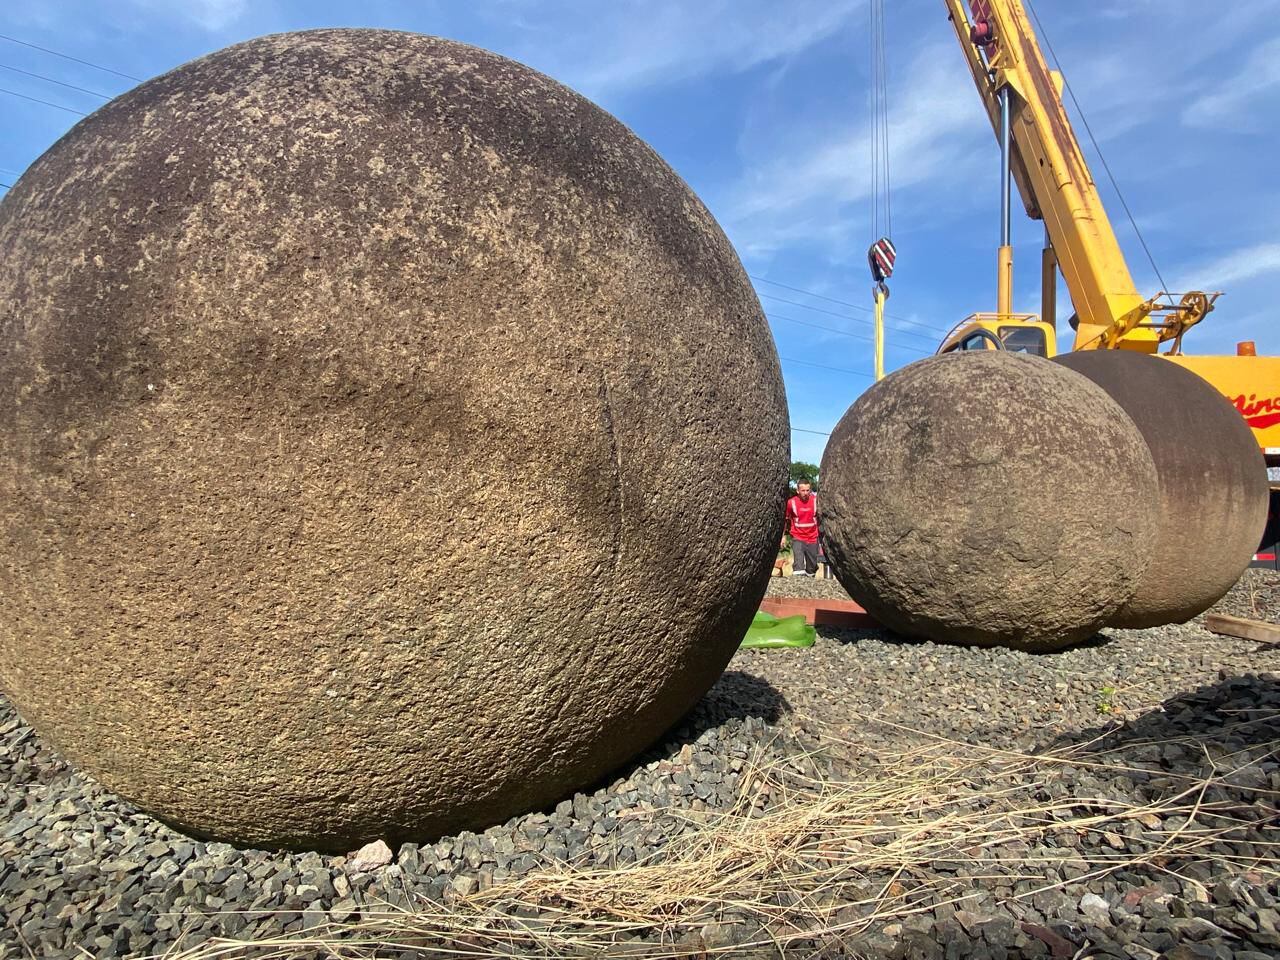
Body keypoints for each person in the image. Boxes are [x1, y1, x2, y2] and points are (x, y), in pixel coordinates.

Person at [783, 480, 820, 577]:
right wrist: (783, 537)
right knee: (798, 567)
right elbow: (785, 520)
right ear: (797, 491)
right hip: (798, 537)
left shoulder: (816, 501)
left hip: (813, 538)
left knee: (811, 568)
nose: (805, 493)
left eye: (808, 490)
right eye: (803, 490)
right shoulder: (791, 503)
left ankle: (810, 579)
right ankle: (798, 585)